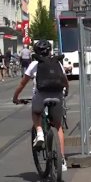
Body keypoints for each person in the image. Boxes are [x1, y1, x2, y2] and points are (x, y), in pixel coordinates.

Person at [12, 40, 69, 171]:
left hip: (41, 95)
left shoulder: (34, 64)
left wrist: (15, 97)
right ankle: (62, 160)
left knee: (36, 113)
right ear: (50, 51)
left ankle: (39, 133)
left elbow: (22, 84)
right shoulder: (57, 63)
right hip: (57, 95)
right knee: (58, 126)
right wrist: (66, 92)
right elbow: (65, 81)